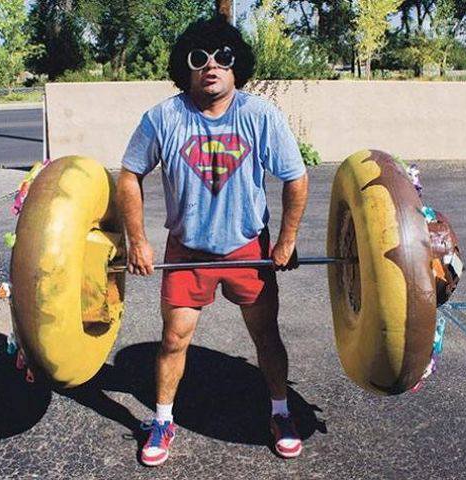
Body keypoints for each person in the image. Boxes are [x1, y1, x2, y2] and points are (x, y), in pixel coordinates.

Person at [116, 15, 309, 467]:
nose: (211, 65)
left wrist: (286, 241)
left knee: (266, 336)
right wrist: (136, 241)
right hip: (187, 253)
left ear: (236, 64)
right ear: (184, 67)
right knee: (173, 340)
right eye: (198, 57)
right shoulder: (163, 118)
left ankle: (280, 412)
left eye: (222, 56)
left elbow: (296, 178)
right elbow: (128, 176)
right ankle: (162, 420)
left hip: (248, 249)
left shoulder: (260, 116)